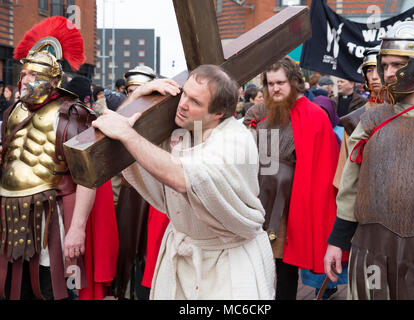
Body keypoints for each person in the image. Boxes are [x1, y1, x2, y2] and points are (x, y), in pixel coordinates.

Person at [93, 64, 275, 300]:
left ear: (218, 113)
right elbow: (118, 124)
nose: (183, 104)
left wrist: (128, 134)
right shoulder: (185, 129)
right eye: (184, 94)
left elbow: (183, 177)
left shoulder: (234, 142)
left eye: (196, 102)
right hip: (183, 256)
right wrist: (138, 94)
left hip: (228, 262)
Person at [324, 21, 414, 300]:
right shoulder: (371, 120)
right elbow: (350, 189)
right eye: (385, 65)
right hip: (372, 253)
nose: (389, 73)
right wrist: (337, 241)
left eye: (398, 65)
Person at [0, 16, 117, 300]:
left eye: (34, 75)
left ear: (52, 80)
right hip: (10, 216)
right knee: (12, 290)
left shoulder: (72, 114)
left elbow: (87, 177)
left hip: (51, 218)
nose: (26, 80)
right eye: (24, 74)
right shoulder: (12, 113)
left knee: (52, 289)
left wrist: (77, 230)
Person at [243, 56, 343, 300]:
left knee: (285, 269)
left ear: (295, 82)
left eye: (280, 82)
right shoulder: (267, 118)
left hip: (294, 205)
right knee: (262, 267)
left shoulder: (315, 116)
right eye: (270, 83)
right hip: (265, 203)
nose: (275, 88)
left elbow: (323, 169)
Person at [112, 64, 167, 300]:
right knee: (126, 250)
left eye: (141, 90)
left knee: (151, 253)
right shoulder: (122, 113)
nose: (135, 94)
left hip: (158, 193)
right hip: (130, 190)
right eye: (131, 90)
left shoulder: (163, 115)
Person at [333, 47, 383, 188]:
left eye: (379, 69)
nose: (374, 76)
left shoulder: (404, 110)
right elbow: (343, 176)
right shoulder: (354, 120)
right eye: (369, 70)